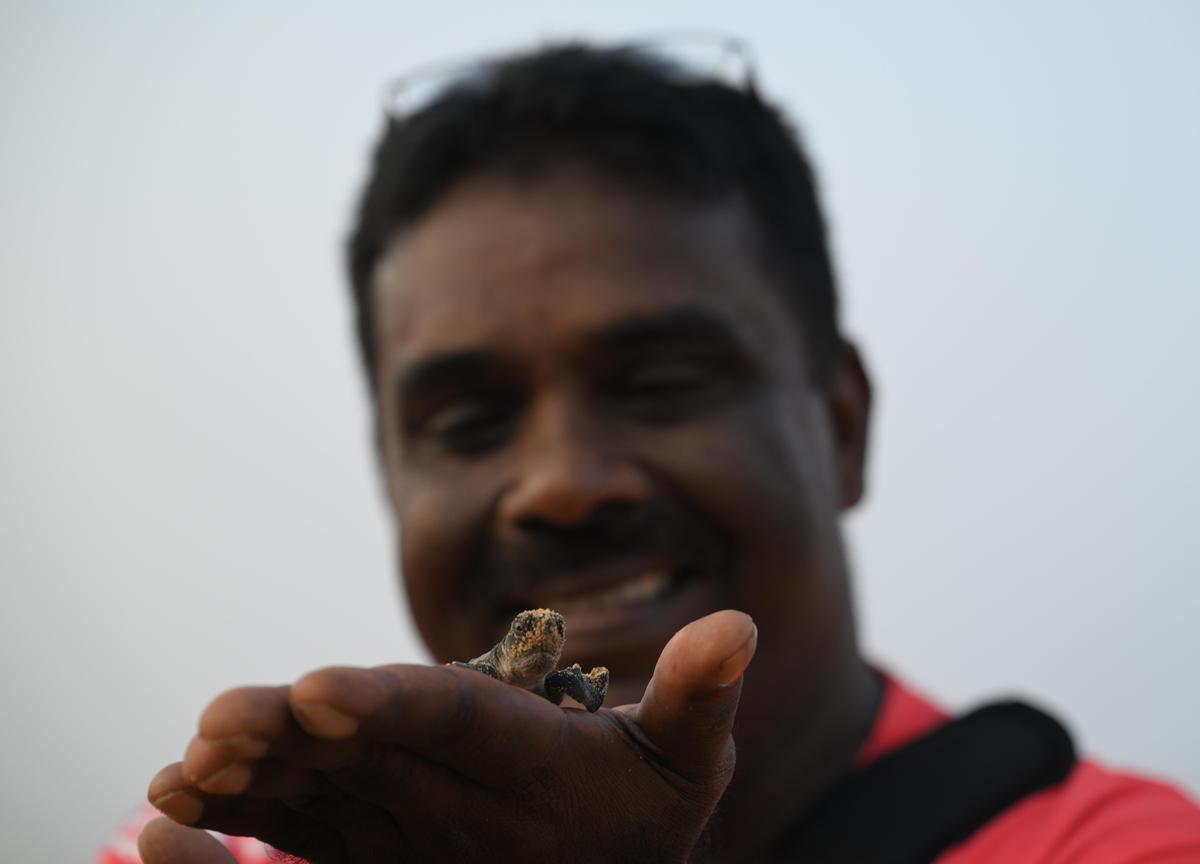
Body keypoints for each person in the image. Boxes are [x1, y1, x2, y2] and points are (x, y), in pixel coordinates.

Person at [102, 41, 1200, 863]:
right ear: (389, 479)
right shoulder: (244, 837)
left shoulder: (1120, 845)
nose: (562, 485)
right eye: (468, 421)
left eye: (664, 384)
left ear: (841, 424)